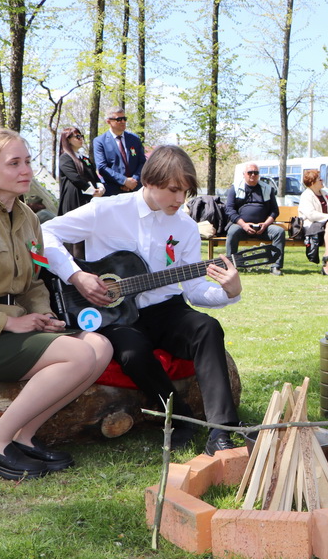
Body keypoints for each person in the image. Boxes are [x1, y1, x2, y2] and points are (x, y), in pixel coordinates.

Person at [0, 128, 114, 480]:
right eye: (14, 163)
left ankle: (23, 437)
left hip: (15, 329)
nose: (26, 170)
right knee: (79, 354)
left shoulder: (28, 218)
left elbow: (33, 283)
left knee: (100, 346)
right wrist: (8, 322)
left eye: (27, 161)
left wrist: (44, 314)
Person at [42, 145, 244, 454]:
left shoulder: (185, 227)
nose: (181, 199)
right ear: (149, 181)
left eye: (186, 191)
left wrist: (228, 291)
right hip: (113, 311)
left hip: (165, 309)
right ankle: (181, 418)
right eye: (174, 190)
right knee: (132, 353)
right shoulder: (106, 210)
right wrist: (76, 275)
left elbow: (193, 289)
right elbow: (44, 233)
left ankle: (222, 431)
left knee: (206, 328)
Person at [224, 162, 285, 276]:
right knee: (232, 231)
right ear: (244, 174)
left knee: (279, 231)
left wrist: (265, 224)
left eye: (256, 173)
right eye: (250, 172)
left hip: (263, 228)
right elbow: (230, 210)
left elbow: (274, 211)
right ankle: (231, 266)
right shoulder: (235, 188)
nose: (253, 175)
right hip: (241, 226)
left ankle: (276, 266)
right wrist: (244, 225)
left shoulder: (267, 189)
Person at [58, 126, 104, 258]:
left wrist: (101, 188)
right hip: (75, 200)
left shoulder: (85, 159)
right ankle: (77, 264)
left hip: (89, 199)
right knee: (76, 238)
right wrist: (92, 191)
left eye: (81, 136)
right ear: (68, 139)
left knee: (88, 235)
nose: (80, 139)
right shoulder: (65, 158)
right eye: (77, 136)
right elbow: (75, 177)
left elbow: (95, 177)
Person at [93, 107, 146, 196]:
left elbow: (142, 163)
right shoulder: (100, 141)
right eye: (119, 119)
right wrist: (124, 181)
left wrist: (134, 180)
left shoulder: (134, 139)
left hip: (136, 189)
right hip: (113, 191)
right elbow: (102, 167)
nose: (123, 121)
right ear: (108, 121)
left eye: (124, 119)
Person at [299, 168, 328, 276]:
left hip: (327, 228)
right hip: (311, 227)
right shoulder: (306, 195)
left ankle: (326, 263)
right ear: (312, 182)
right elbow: (311, 214)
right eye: (319, 179)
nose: (322, 180)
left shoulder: (325, 194)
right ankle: (327, 259)